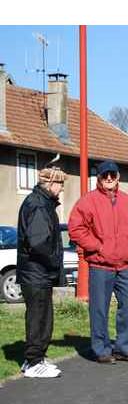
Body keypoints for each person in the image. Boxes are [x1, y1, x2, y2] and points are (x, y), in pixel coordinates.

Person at [68, 160, 128, 364]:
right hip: (100, 266)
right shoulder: (87, 202)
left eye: (112, 175)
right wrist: (98, 247)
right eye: (105, 175)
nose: (109, 178)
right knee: (99, 310)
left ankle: (124, 347)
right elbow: (76, 230)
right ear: (98, 177)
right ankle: (102, 350)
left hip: (125, 265)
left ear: (118, 177)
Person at [17, 162, 67, 378]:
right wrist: (54, 260)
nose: (62, 188)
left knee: (41, 316)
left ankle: (35, 360)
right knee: (39, 317)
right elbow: (38, 243)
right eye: (60, 183)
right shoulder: (38, 205)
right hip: (36, 272)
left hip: (37, 272)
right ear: (49, 182)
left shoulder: (42, 203)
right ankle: (34, 362)